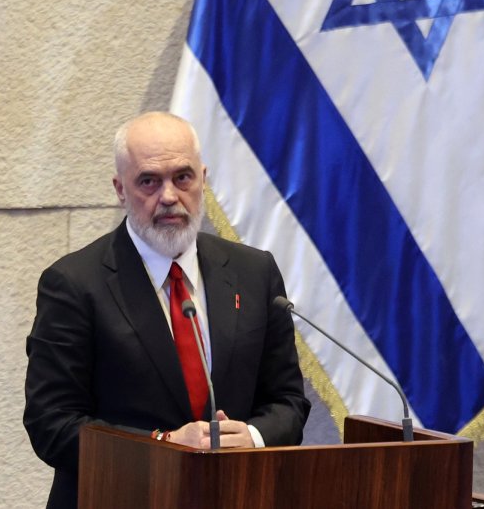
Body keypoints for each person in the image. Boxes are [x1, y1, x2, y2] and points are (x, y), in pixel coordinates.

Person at [23, 111, 310, 509]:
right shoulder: (73, 284)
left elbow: (287, 401)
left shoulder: (254, 272)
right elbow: (51, 423)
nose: (170, 196)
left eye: (183, 177)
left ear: (203, 178)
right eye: (148, 181)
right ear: (120, 189)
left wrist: (254, 437)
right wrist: (164, 445)